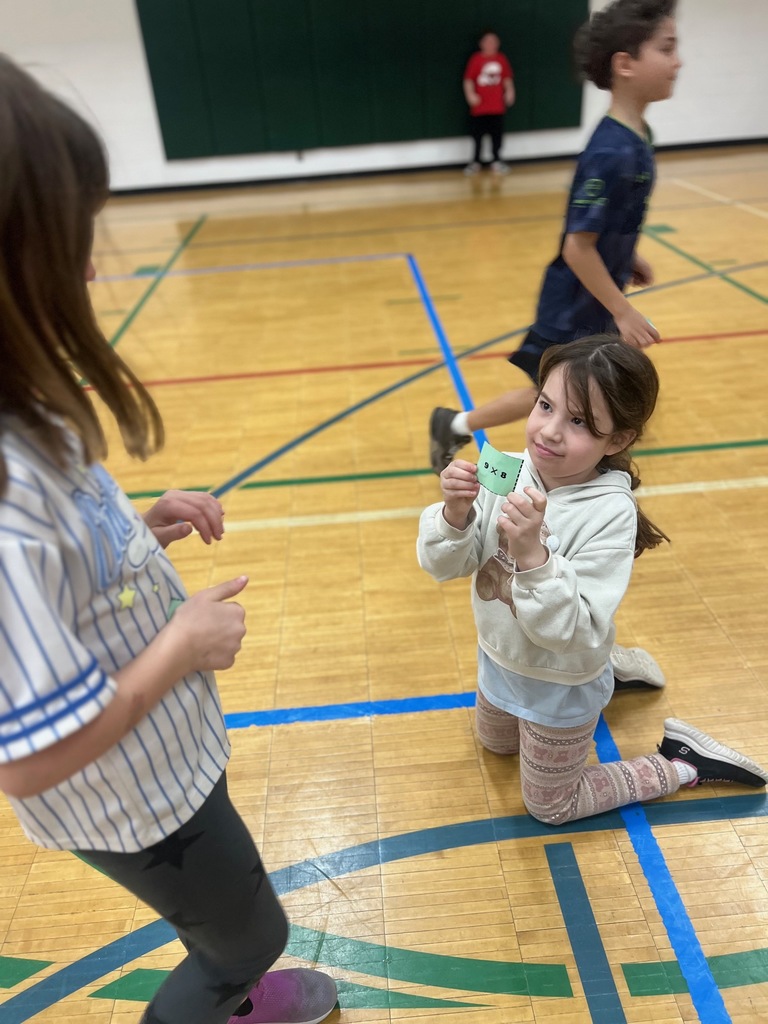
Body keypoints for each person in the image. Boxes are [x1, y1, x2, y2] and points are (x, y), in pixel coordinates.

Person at [0, 57, 337, 1024]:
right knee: (247, 940)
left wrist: (134, 531)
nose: (90, 269)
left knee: (222, 921)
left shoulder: (24, 408)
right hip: (127, 793)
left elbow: (57, 579)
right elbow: (23, 760)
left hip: (155, 764)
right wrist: (181, 644)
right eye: (69, 242)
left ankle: (233, 996)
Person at [418, 336, 768, 824]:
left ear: (618, 440)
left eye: (579, 422)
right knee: (496, 744)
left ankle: (683, 762)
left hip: (562, 676)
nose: (549, 431)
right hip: (500, 657)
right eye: (545, 406)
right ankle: (614, 664)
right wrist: (454, 517)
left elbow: (568, 631)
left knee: (550, 806)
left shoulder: (610, 514)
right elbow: (444, 566)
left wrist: (533, 556)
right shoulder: (512, 470)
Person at [432, 0, 681, 463]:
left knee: (574, 394)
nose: (678, 61)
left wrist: (626, 255)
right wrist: (624, 310)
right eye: (666, 49)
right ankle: (455, 426)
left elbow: (603, 225)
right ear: (625, 64)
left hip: (593, 302)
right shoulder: (611, 152)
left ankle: (460, 426)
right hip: (572, 308)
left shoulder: (637, 138)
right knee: (552, 397)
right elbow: (577, 248)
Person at [462, 30, 515, 175]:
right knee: (477, 136)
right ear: (481, 44)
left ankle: (496, 160)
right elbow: (468, 80)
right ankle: (476, 162)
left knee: (497, 135)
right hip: (479, 107)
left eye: (494, 42)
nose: (491, 44)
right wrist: (470, 95)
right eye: (488, 41)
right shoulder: (476, 59)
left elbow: (507, 78)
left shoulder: (501, 59)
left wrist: (510, 91)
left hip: (497, 106)